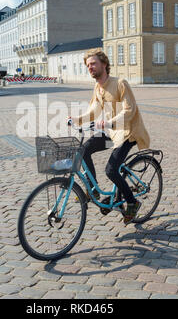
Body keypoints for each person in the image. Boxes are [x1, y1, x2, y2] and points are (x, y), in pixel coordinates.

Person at [69, 49, 150, 226]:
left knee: (111, 170)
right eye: (88, 65)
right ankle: (93, 190)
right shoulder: (97, 87)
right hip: (111, 133)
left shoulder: (120, 83)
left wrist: (109, 122)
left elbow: (130, 110)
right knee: (83, 149)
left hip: (128, 132)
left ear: (104, 64)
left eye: (93, 63)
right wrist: (76, 119)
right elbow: (94, 110)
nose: (90, 67)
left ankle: (132, 202)